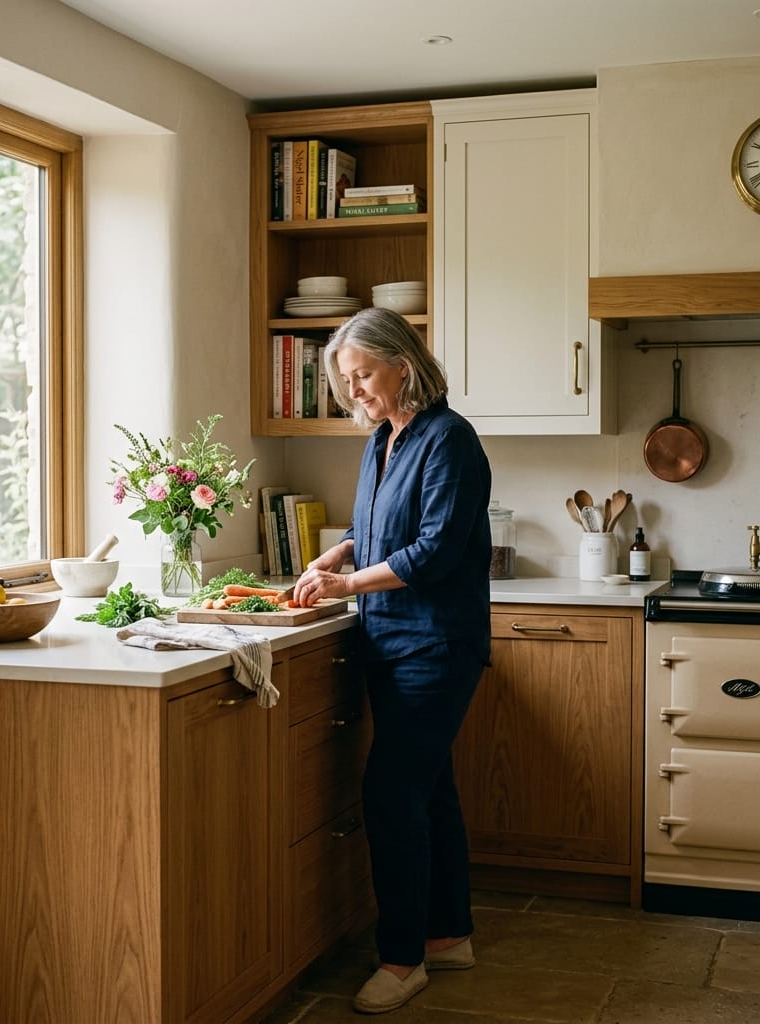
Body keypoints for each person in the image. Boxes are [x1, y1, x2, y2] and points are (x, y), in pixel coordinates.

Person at [293, 307, 493, 1015]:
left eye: (363, 376)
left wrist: (348, 584)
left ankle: (402, 960)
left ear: (402, 364)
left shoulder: (449, 439)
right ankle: (447, 935)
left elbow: (434, 551)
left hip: (436, 644)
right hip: (389, 638)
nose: (356, 393)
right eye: (347, 382)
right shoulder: (385, 437)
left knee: (390, 795)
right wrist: (340, 551)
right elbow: (374, 526)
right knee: (428, 790)